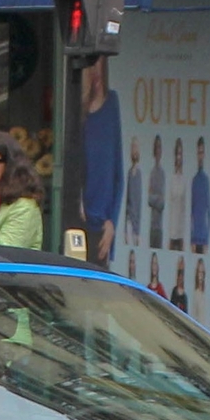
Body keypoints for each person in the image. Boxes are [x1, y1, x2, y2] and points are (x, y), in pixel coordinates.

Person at [80, 57, 123, 264]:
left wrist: (112, 222)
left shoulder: (112, 104)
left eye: (99, 63)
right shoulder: (76, 111)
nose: (95, 71)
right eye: (90, 64)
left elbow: (118, 175)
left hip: (102, 224)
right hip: (78, 219)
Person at [189, 136, 210, 253]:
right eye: (198, 152)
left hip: (204, 237)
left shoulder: (206, 180)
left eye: (202, 152)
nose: (200, 156)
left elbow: (209, 212)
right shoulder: (194, 180)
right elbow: (191, 211)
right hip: (194, 236)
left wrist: (207, 240)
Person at [124, 136, 143, 249]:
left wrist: (138, 231)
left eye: (136, 148)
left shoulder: (140, 174)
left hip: (136, 226)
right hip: (129, 222)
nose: (134, 151)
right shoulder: (129, 173)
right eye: (132, 148)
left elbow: (139, 203)